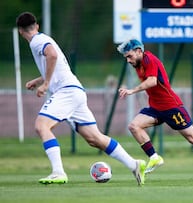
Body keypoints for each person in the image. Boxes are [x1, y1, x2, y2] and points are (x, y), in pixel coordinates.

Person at [16, 12, 146, 185]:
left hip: (67, 92)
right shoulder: (42, 38)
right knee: (95, 139)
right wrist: (39, 79)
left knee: (41, 126)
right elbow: (57, 62)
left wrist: (46, 83)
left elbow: (52, 55)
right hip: (74, 91)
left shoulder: (36, 41)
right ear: (37, 25)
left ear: (20, 31)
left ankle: (58, 172)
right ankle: (134, 164)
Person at [116, 39, 193, 182]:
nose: (128, 60)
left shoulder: (149, 59)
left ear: (139, 51)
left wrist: (132, 90)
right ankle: (154, 157)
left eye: (129, 56)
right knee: (134, 126)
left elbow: (152, 81)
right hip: (155, 107)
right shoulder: (138, 64)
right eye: (126, 57)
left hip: (171, 107)